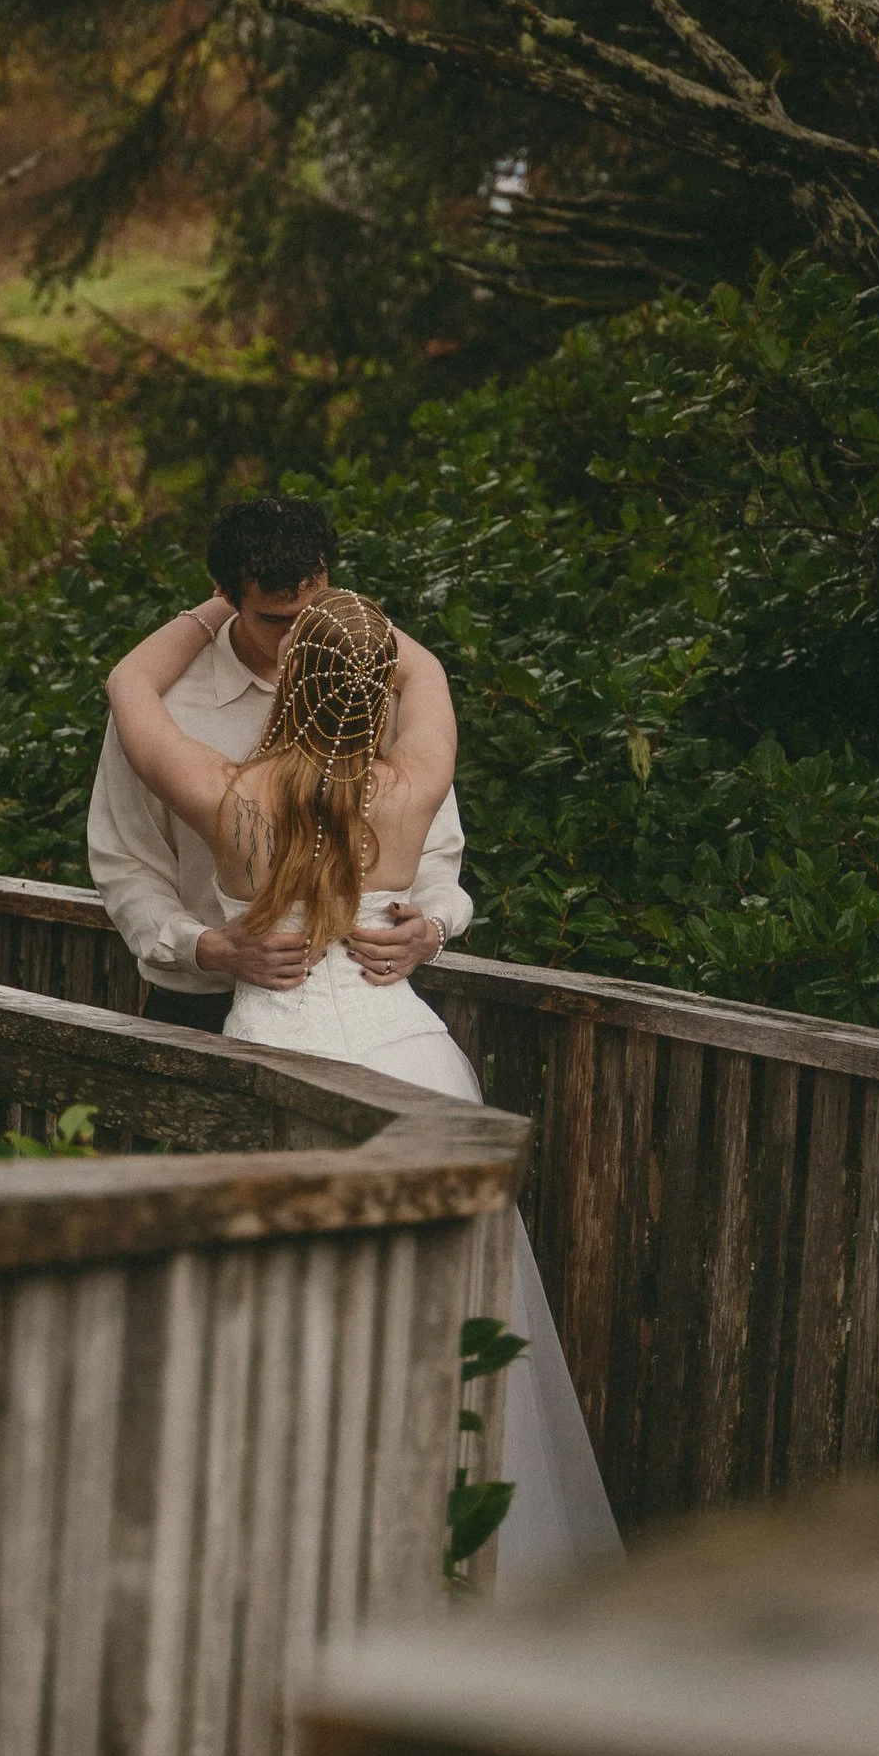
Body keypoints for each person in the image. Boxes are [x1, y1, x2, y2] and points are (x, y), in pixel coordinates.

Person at [104, 582, 618, 1584]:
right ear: (377, 684)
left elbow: (128, 681)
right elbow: (424, 674)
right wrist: (357, 613)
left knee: (299, 1334)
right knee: (461, 1325)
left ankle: (321, 1576)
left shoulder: (228, 793)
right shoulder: (413, 781)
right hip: (416, 1062)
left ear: (291, 675)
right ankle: (465, 1568)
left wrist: (217, 610)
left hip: (287, 1071)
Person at [87, 495, 472, 1005]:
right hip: (204, 999)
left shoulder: (379, 690)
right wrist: (205, 947)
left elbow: (438, 849)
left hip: (376, 992)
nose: (298, 634)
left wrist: (436, 926)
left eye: (313, 610)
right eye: (276, 619)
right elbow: (126, 861)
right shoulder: (169, 706)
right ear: (227, 594)